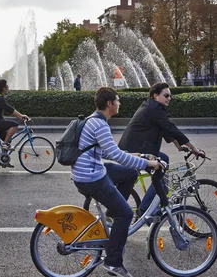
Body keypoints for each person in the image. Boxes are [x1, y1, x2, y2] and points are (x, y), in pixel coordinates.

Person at [72, 87, 162, 277]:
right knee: (126, 213)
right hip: (91, 177)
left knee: (130, 174)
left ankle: (111, 214)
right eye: (118, 100)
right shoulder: (100, 124)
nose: (119, 103)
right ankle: (113, 262)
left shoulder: (94, 119)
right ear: (110, 104)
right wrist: (148, 163)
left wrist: (132, 155)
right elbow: (115, 155)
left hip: (91, 171)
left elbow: (105, 151)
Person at [118, 82, 204, 217]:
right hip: (136, 149)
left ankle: (148, 204)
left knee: (163, 163)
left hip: (134, 147)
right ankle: (145, 209)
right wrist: (193, 148)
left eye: (170, 96)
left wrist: (178, 145)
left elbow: (164, 128)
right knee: (162, 165)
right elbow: (171, 128)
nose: (169, 98)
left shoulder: (151, 106)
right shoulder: (155, 108)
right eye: (166, 95)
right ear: (156, 95)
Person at [0, 79, 30, 167]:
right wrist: (21, 116)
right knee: (14, 124)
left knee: (8, 140)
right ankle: (4, 145)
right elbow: (9, 109)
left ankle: (4, 161)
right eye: (7, 86)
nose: (8, 88)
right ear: (3, 88)